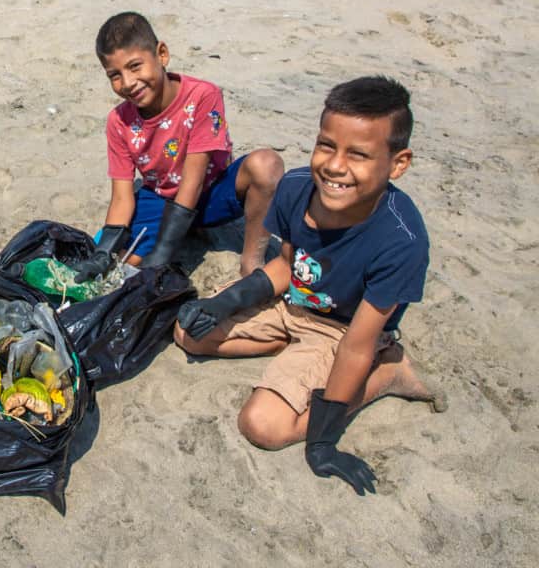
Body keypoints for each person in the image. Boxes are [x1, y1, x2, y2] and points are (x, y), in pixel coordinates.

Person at [174, 76, 445, 495]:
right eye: (326, 145)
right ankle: (296, 353)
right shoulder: (298, 187)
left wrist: (323, 441)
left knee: (262, 425)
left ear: (398, 163)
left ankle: (388, 372)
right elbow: (285, 266)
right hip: (294, 300)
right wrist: (227, 302)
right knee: (190, 332)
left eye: (358, 154)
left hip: (344, 329)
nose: (335, 166)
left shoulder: (401, 241)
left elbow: (356, 344)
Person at [74, 12, 283, 282]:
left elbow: (193, 182)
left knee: (267, 165)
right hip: (161, 198)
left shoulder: (202, 96)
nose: (127, 83)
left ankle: (251, 261)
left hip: (209, 193)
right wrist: (103, 252)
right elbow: (122, 196)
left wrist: (164, 249)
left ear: (161, 54)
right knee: (123, 263)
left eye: (135, 66)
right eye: (115, 75)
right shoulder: (118, 121)